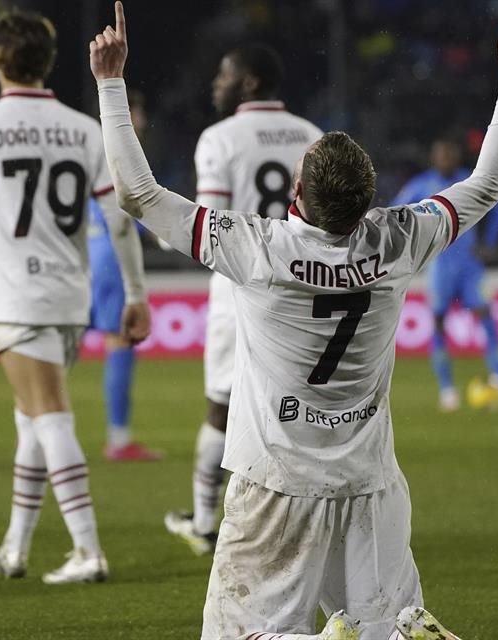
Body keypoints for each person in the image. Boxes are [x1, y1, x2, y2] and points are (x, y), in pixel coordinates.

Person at [90, 2, 498, 639]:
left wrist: (111, 83)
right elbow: (487, 183)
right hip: (371, 484)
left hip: (276, 482)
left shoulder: (258, 248)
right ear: (369, 197)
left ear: (295, 194)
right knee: (389, 626)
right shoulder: (400, 236)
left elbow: (138, 193)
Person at [0, 9, 149, 584]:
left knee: (50, 418)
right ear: (48, 61)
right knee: (32, 421)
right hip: (70, 297)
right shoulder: (84, 130)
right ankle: (14, 547)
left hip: (18, 297)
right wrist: (136, 292)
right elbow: (121, 219)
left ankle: (88, 550)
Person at [163, 44, 323, 555]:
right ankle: (307, 520)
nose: (215, 83)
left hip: (239, 290)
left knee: (220, 408)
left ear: (250, 81)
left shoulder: (220, 139)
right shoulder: (311, 136)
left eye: (223, 74)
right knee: (297, 408)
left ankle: (206, 523)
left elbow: (214, 229)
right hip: (304, 289)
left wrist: (166, 232)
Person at [392, 137, 498, 411]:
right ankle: (448, 392)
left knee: (487, 320)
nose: (446, 160)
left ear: (456, 158)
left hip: (469, 266)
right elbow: (396, 215)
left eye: (450, 155)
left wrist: (488, 244)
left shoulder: (469, 180)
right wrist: (411, 252)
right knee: (439, 324)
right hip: (439, 266)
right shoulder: (421, 185)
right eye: (442, 155)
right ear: (434, 159)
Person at [87, 88, 162, 462]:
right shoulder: (122, 149)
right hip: (113, 256)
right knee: (120, 344)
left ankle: (40, 430)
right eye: (138, 112)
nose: (143, 121)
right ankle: (118, 439)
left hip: (89, 250)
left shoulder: (92, 145)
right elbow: (131, 206)